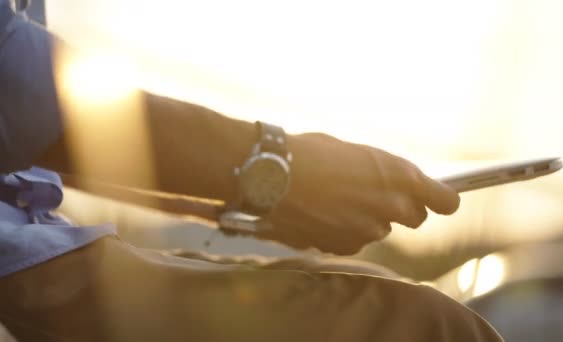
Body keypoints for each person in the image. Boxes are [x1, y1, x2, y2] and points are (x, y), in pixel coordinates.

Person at [0, 1, 503, 341]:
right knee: (431, 328)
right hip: (16, 262)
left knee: (368, 282)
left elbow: (23, 144)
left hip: (34, 242)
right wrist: (273, 168)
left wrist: (249, 202)